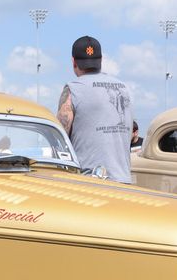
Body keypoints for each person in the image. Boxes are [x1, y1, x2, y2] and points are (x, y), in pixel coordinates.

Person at [56, 36, 133, 183]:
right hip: (123, 179)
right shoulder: (124, 88)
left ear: (73, 62)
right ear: (101, 60)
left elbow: (60, 138)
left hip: (90, 182)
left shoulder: (73, 89)